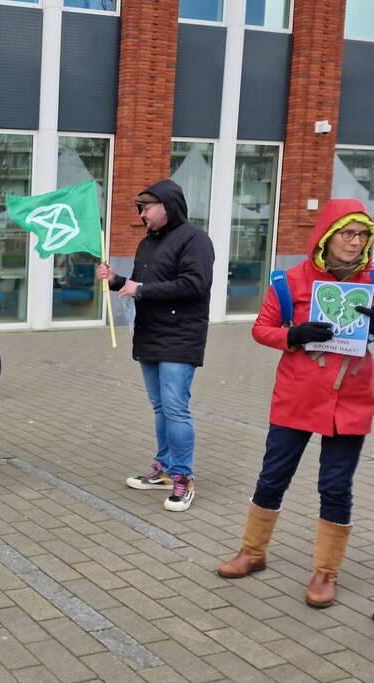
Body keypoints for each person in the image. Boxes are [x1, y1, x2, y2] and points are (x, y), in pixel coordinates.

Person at [217, 199, 374, 608]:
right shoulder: (290, 282)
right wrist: (294, 335)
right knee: (273, 476)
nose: (355, 243)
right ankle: (252, 551)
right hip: (297, 397)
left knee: (336, 487)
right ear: (327, 235)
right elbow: (261, 329)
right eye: (348, 233)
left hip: (352, 401)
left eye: (363, 235)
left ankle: (326, 572)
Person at [96, 179, 214, 512]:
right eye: (139, 209)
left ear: (166, 206)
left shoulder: (195, 239)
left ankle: (183, 477)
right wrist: (116, 281)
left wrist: (141, 289)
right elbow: (140, 285)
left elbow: (195, 284)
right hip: (149, 334)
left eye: (146, 208)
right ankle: (163, 469)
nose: (141, 215)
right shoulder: (147, 243)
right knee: (160, 407)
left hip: (181, 336)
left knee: (175, 408)